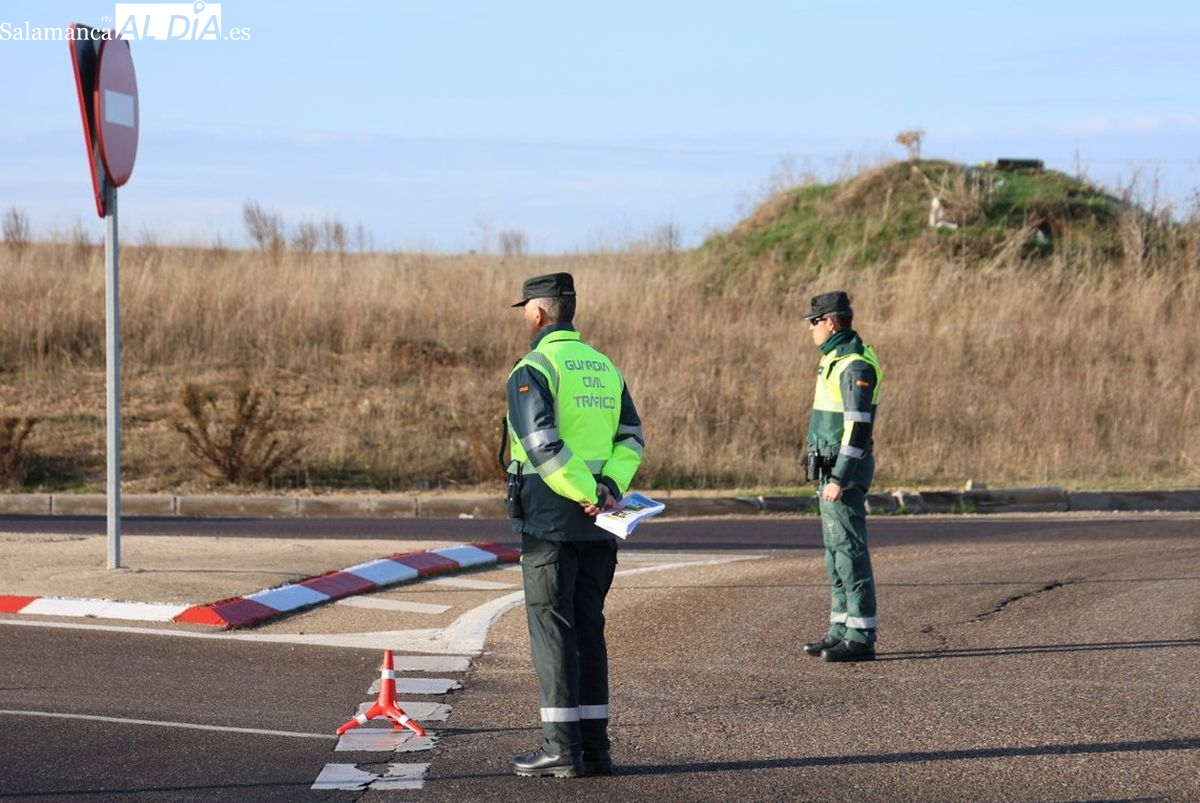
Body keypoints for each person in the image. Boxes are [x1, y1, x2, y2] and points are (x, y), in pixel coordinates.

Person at [504, 271, 645, 778]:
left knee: (553, 628)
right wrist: (607, 489)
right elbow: (632, 437)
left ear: (538, 313)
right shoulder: (605, 367)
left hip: (552, 516)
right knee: (589, 626)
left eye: (526, 308)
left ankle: (561, 747)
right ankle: (594, 747)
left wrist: (585, 493)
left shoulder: (534, 367)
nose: (526, 315)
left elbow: (542, 443)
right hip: (602, 519)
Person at [800, 291, 883, 662]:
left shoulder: (855, 365)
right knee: (835, 553)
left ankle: (861, 636)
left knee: (849, 551)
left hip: (843, 472)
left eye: (814, 322)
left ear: (830, 322)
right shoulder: (834, 359)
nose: (811, 330)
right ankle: (840, 629)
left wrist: (840, 477)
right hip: (829, 470)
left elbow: (858, 427)